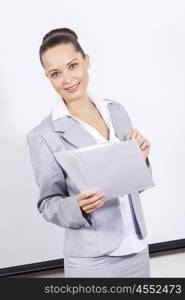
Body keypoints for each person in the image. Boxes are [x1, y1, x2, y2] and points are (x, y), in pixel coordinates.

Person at [26, 27, 152, 278]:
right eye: (55, 73)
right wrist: (77, 206)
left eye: (73, 66)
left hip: (138, 249)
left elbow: (134, 186)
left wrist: (141, 160)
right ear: (48, 78)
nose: (67, 79)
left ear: (87, 61)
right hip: (92, 263)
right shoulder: (43, 135)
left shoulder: (117, 111)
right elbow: (48, 204)